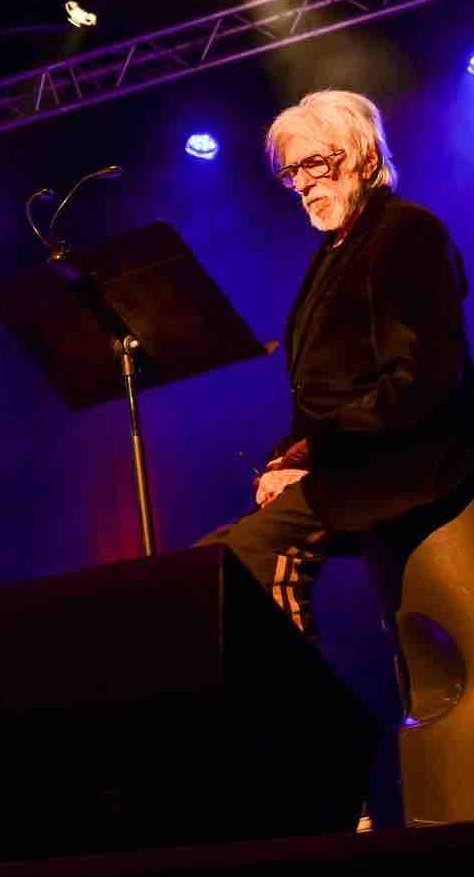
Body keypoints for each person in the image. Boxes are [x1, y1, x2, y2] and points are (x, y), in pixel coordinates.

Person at [199, 91, 474, 826]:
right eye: (292, 172)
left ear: (364, 156)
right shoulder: (335, 250)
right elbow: (319, 399)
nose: (303, 184)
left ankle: (328, 782)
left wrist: (316, 455)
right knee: (206, 568)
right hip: (352, 468)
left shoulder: (407, 233)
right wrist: (285, 458)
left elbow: (422, 381)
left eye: (315, 164)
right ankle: (284, 779)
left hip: (410, 463)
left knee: (248, 559)